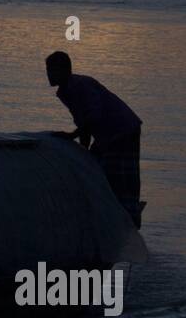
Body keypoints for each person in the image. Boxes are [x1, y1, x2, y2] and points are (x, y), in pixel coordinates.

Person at [46, 51, 144, 227]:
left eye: (51, 70)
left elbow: (94, 116)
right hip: (108, 134)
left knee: (120, 177)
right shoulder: (66, 91)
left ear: (64, 70)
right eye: (48, 70)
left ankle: (129, 217)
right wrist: (83, 149)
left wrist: (71, 136)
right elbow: (84, 122)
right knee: (96, 166)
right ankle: (117, 213)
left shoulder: (79, 85)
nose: (48, 74)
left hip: (121, 131)